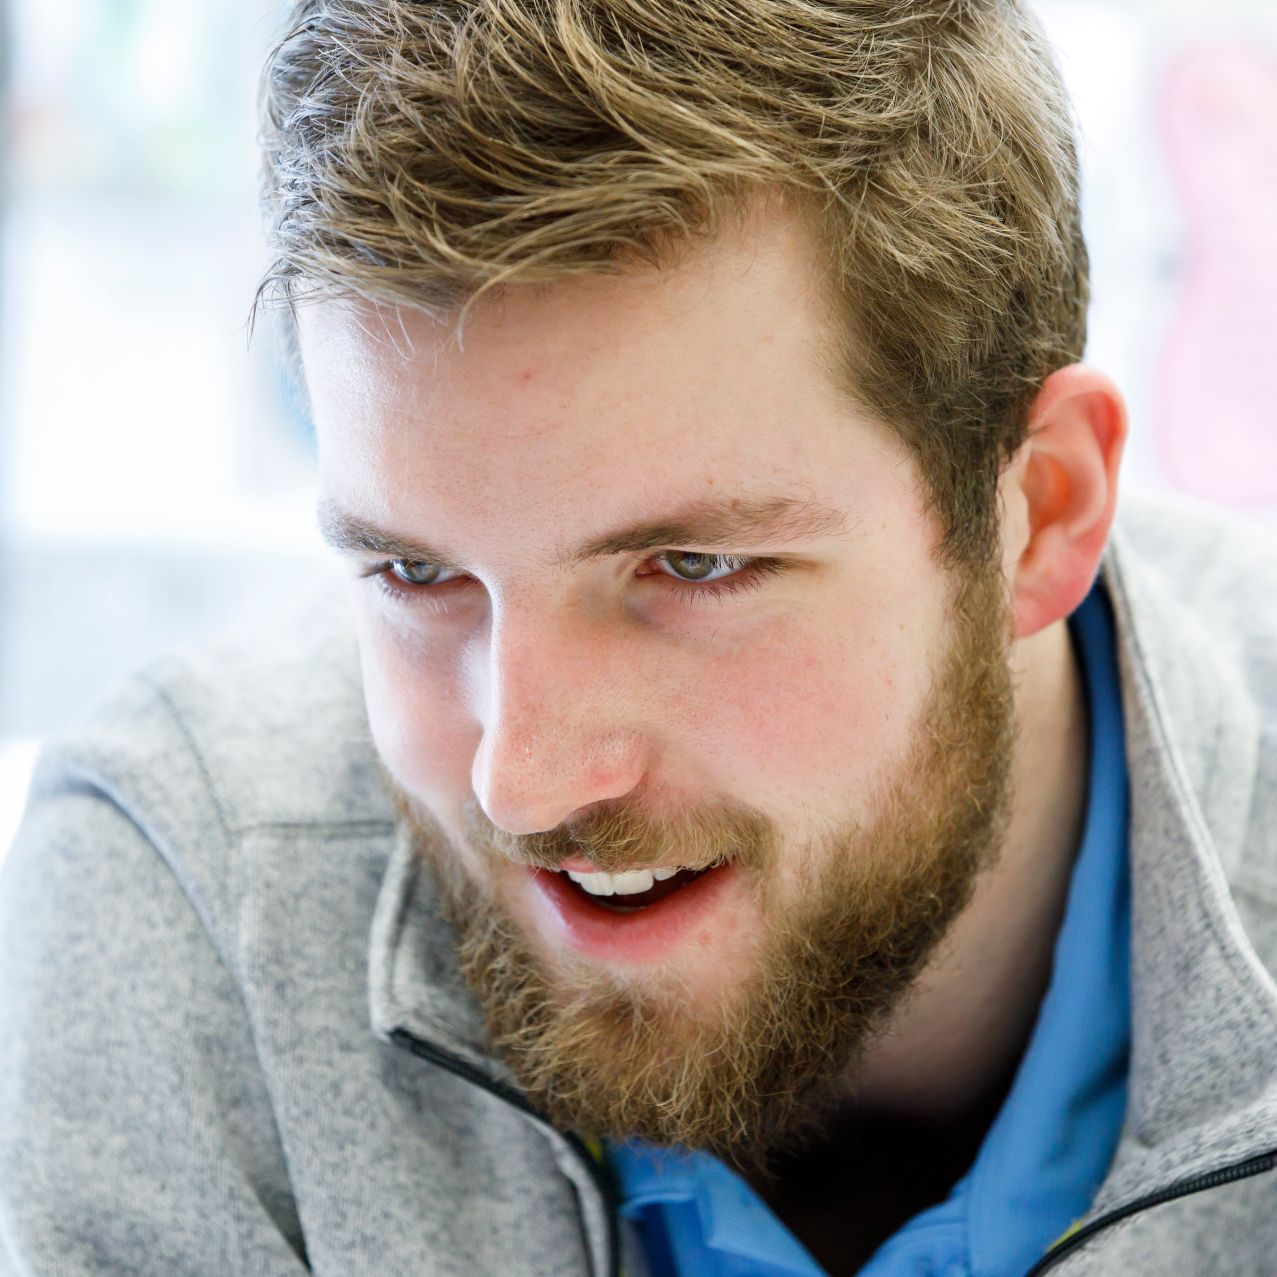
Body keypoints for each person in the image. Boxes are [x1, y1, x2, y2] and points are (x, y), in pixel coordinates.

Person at [2, 0, 1275, 1273]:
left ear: (1041, 512)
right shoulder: (193, 889)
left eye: (692, 565)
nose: (524, 778)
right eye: (414, 571)